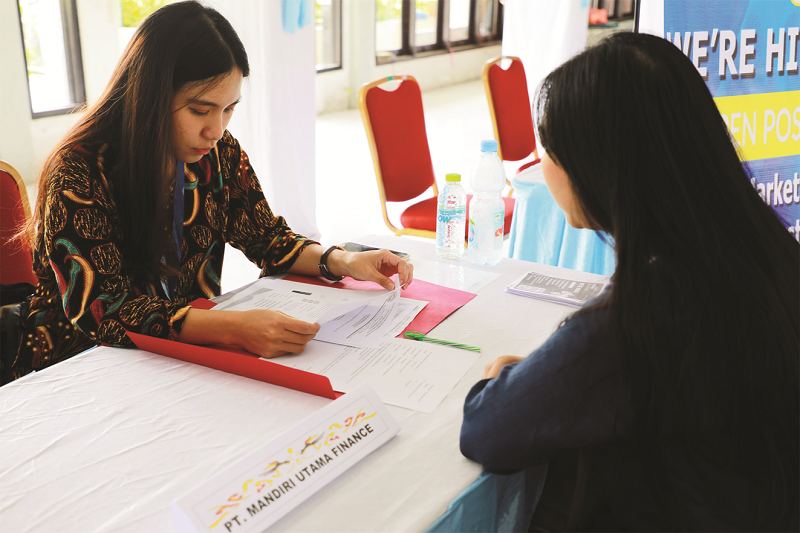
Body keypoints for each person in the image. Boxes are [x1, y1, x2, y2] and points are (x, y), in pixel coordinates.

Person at [460, 32, 798, 531]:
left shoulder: (633, 322)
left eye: (549, 146)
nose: (544, 165)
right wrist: (555, 374)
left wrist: (510, 380)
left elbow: (487, 429)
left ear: (601, 167)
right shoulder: (764, 249)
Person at [6, 1, 412, 384]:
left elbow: (267, 238)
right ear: (148, 97)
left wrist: (342, 260)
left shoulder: (216, 154)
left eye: (229, 108)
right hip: (81, 367)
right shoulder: (78, 171)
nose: (215, 130)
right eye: (200, 110)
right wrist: (232, 327)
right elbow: (104, 312)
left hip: (182, 358)